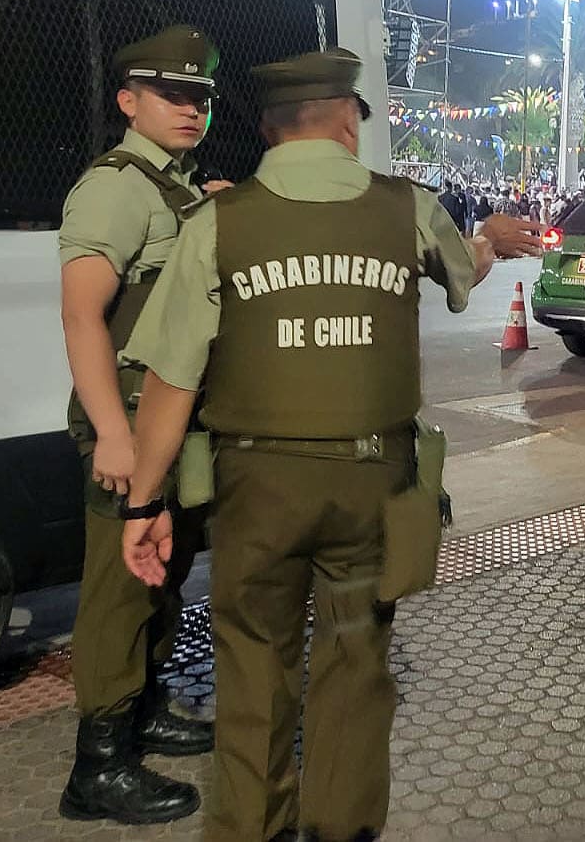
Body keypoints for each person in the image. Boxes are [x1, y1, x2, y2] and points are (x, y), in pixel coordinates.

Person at [116, 48, 542, 842]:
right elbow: (464, 273)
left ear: (268, 130)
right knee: (354, 668)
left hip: (257, 491)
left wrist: (144, 503)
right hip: (372, 486)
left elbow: (171, 381)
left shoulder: (217, 223)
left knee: (254, 674)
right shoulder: (406, 207)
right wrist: (486, 239)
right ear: (348, 121)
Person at [57, 25, 225, 826]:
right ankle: (97, 767)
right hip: (128, 421)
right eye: (172, 94)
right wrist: (113, 436)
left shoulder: (178, 187)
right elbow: (82, 317)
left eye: (201, 97)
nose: (191, 109)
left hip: (173, 421)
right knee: (118, 591)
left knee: (164, 572)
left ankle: (146, 708)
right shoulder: (115, 187)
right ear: (128, 101)